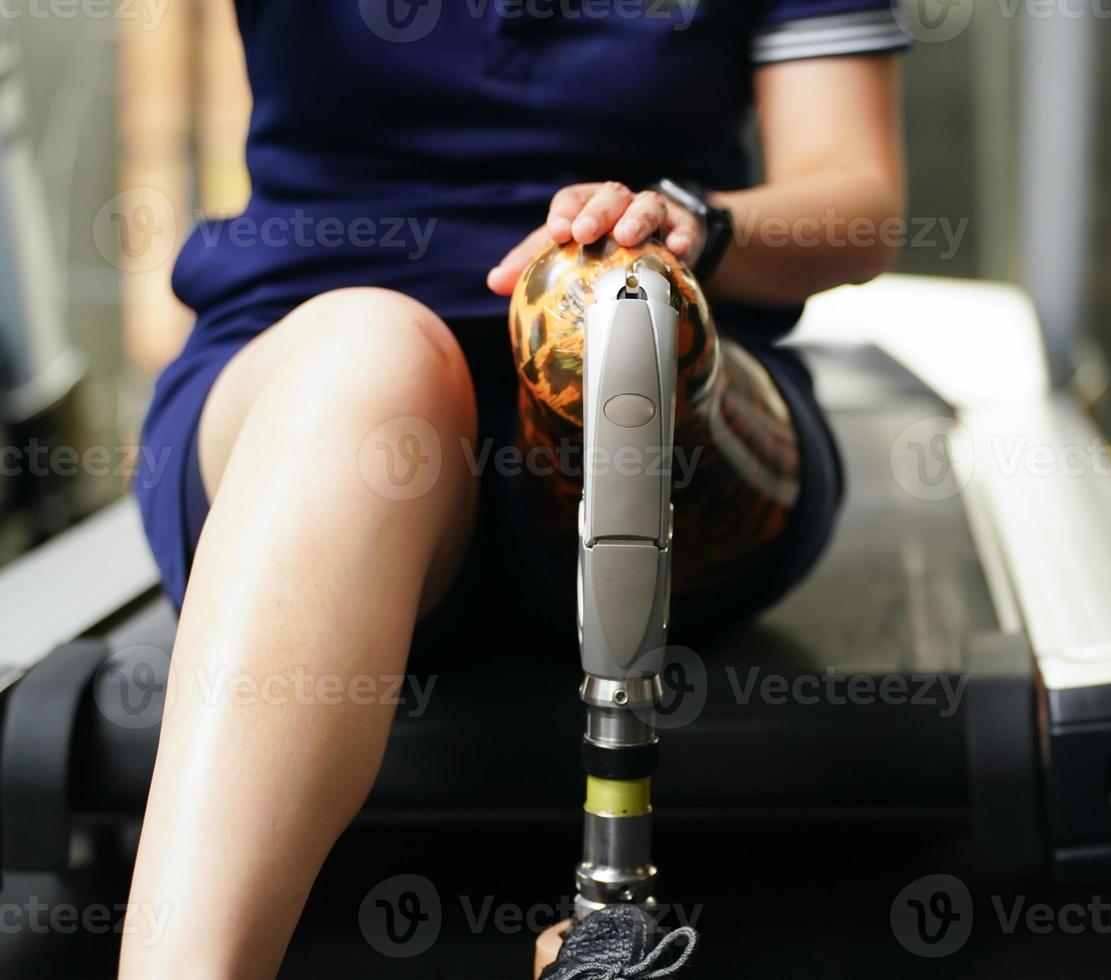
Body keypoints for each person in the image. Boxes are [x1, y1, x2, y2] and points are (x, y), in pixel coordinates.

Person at [120, 3, 909, 975]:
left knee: (606, 306)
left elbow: (858, 197)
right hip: (310, 385)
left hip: (658, 377)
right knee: (371, 357)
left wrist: (696, 220)